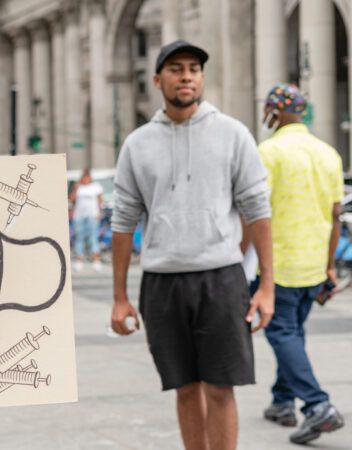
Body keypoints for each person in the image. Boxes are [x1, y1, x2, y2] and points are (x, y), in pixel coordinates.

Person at [109, 41, 274, 450]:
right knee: (184, 388)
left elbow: (258, 210)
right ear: (158, 79)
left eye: (194, 69)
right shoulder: (137, 144)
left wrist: (267, 286)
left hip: (221, 278)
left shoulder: (233, 133)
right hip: (162, 281)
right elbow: (123, 222)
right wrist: (119, 297)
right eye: (177, 68)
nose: (186, 76)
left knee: (221, 388)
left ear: (201, 78)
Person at [254, 83, 345, 444]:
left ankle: (317, 405)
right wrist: (330, 267)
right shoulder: (329, 154)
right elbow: (336, 215)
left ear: (273, 112)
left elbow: (256, 213)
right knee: (293, 333)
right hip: (314, 265)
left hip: (279, 264)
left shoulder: (268, 152)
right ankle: (281, 402)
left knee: (282, 333)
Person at [69, 168, 103, 271]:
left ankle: (96, 259)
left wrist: (99, 211)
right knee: (79, 237)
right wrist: (75, 188)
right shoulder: (78, 187)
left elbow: (100, 199)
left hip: (92, 215)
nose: (85, 179)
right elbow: (72, 199)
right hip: (79, 215)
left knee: (93, 237)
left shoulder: (95, 187)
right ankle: (79, 259)